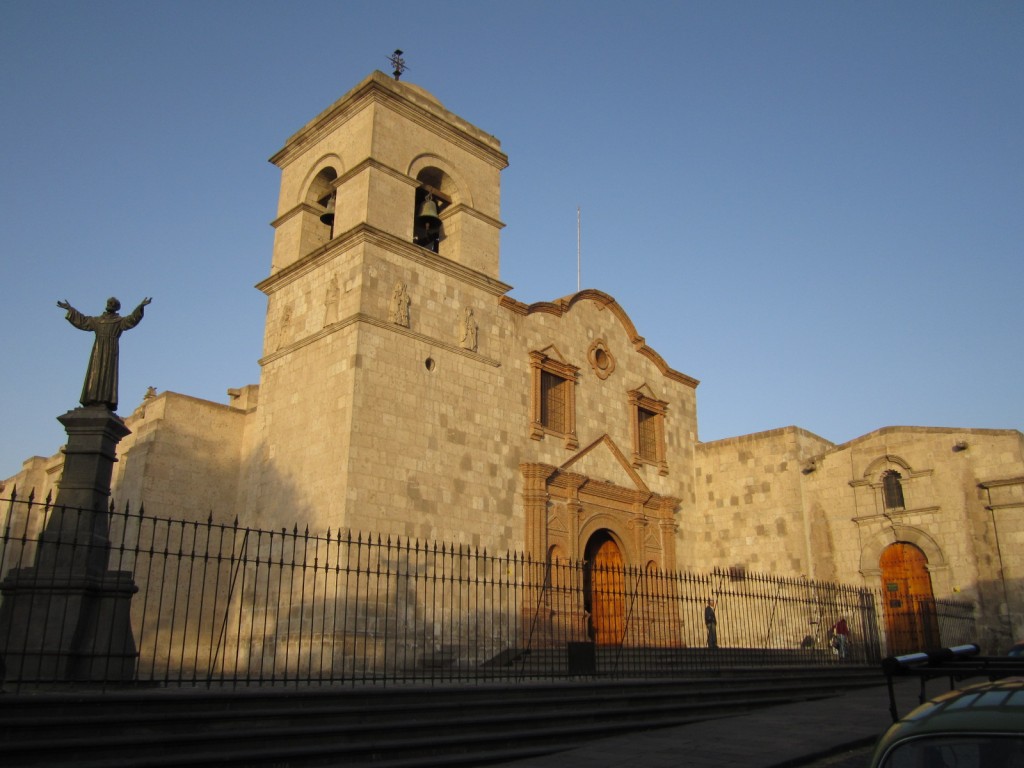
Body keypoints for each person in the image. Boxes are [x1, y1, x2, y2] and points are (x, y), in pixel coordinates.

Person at [58, 296, 151, 411]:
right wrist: (70, 309)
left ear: (116, 307)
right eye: (109, 303)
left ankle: (105, 400)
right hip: (98, 350)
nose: (110, 305)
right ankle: (91, 399)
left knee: (107, 374)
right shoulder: (97, 321)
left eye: (113, 303)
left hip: (111, 351)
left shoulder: (119, 321)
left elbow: (132, 319)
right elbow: (82, 321)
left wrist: (140, 307)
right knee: (95, 373)